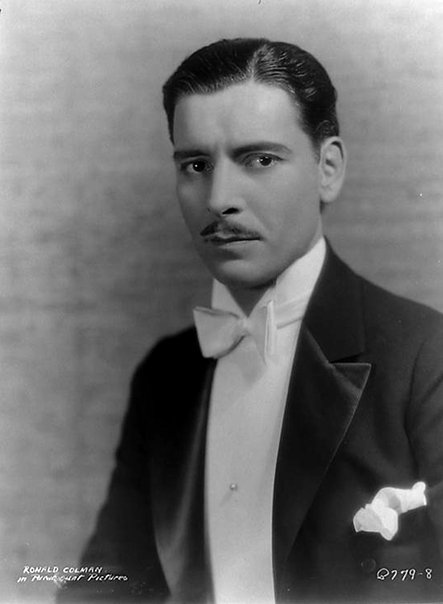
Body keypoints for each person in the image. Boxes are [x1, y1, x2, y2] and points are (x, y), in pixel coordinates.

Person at [57, 38, 443, 603]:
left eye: (259, 159)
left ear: (328, 169)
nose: (218, 199)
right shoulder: (164, 375)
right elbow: (107, 582)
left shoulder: (425, 355)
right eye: (196, 165)